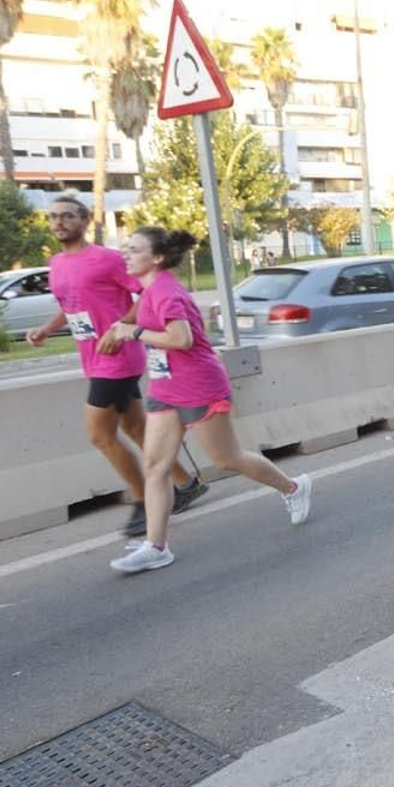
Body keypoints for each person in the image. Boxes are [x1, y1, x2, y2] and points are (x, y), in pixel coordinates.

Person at [107, 227, 311, 573]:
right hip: (164, 387)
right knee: (156, 467)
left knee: (226, 458)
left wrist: (134, 332)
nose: (126, 254)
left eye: (134, 249)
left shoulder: (167, 291)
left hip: (199, 385)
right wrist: (120, 327)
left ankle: (292, 488)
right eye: (126, 248)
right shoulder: (150, 289)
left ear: (156, 257)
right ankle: (156, 547)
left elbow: (181, 338)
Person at [26, 195, 205, 538]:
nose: (59, 222)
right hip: (91, 356)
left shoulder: (107, 259)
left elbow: (148, 294)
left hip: (118, 357)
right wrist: (48, 329)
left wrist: (119, 328)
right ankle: (187, 483)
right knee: (136, 428)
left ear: (84, 221)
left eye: (67, 216)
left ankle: (143, 499)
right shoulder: (57, 262)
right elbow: (73, 305)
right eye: (53, 217)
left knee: (99, 434)